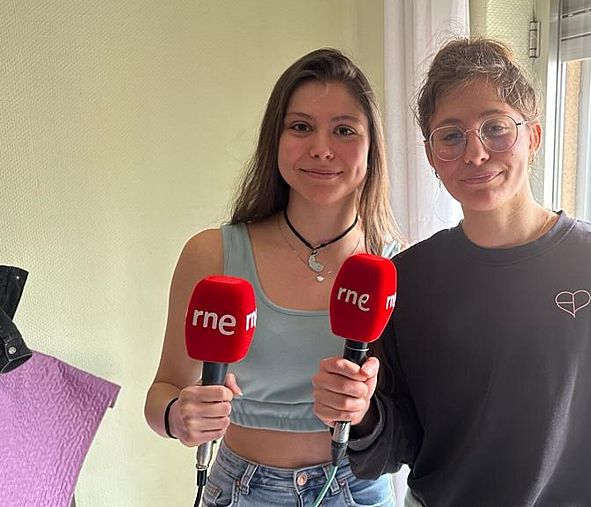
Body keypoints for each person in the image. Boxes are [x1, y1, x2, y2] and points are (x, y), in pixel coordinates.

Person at [312, 37, 591, 506]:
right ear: (432, 156)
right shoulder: (408, 280)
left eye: (496, 128)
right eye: (451, 136)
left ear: (534, 137)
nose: (475, 153)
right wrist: (360, 414)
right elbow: (399, 440)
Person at [144, 48, 400, 507]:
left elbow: (407, 420)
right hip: (239, 488)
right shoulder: (212, 254)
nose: (322, 148)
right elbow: (162, 391)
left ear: (371, 146)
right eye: (301, 126)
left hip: (357, 489)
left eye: (344, 130)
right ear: (275, 140)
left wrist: (362, 411)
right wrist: (178, 417)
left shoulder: (394, 266)